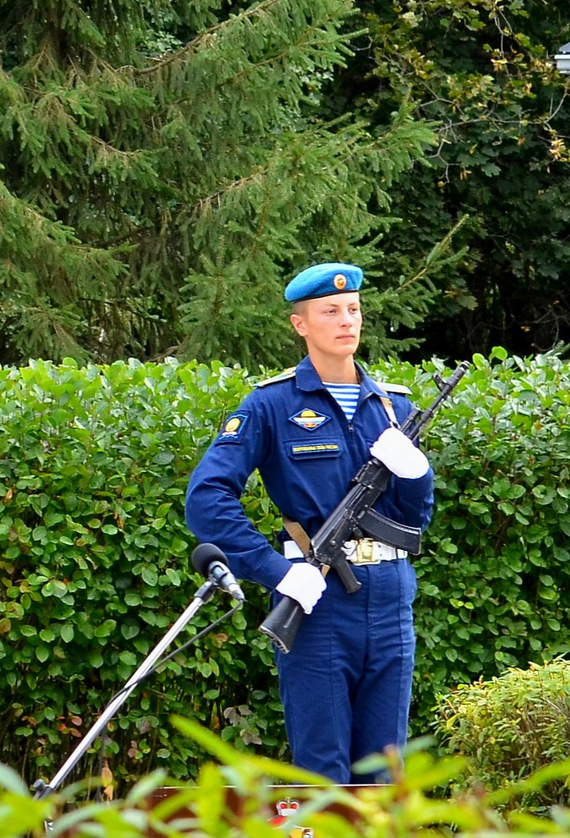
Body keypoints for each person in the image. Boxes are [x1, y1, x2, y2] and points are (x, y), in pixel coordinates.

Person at [186, 263, 434, 784]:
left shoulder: (394, 405)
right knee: (324, 772)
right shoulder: (271, 405)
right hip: (316, 596)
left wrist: (416, 474)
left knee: (386, 770)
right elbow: (206, 499)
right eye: (330, 312)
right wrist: (276, 571)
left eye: (354, 309)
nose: (347, 321)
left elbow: (414, 521)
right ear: (300, 324)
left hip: (390, 595)